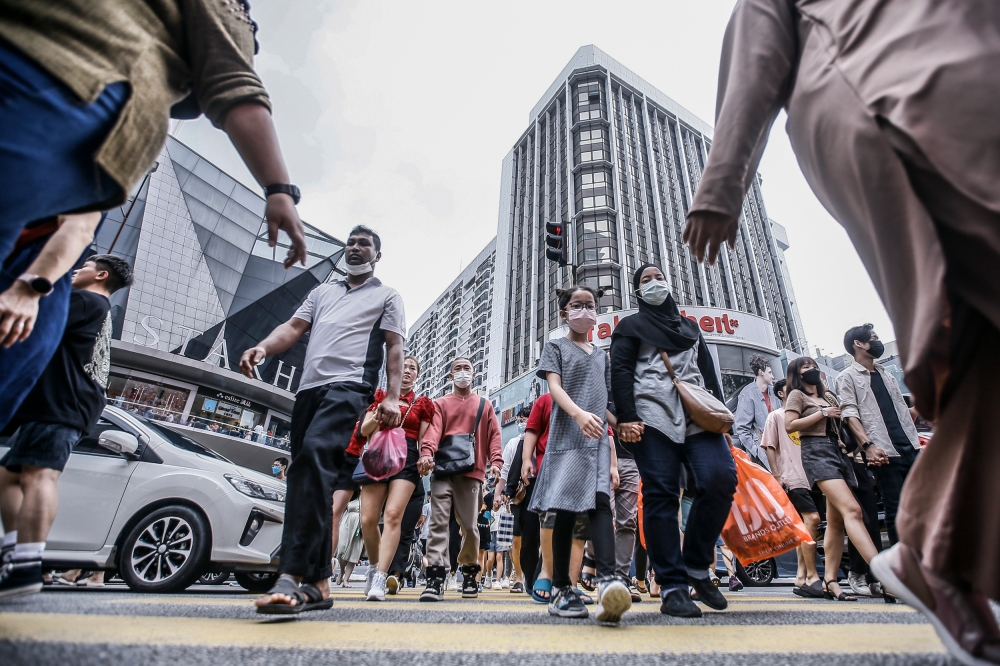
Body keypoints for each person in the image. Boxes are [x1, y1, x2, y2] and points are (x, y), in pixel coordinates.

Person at [683, 2, 1000, 660]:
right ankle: (926, 552)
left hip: (964, 67)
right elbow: (758, 42)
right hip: (893, 85)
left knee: (978, 338)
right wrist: (722, 181)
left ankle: (936, 550)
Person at [0, 0, 309, 427]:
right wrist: (279, 189)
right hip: (64, 96)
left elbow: (80, 226)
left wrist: (32, 286)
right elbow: (232, 81)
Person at [242, 226, 405, 614]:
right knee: (306, 474)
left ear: (377, 255)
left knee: (313, 460)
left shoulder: (387, 296)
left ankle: (290, 574)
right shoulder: (321, 293)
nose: (354, 248)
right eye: (350, 242)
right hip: (308, 391)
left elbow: (395, 346)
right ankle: (319, 584)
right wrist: (263, 347)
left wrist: (392, 396)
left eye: (364, 243)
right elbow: (293, 328)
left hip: (350, 387)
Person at [0, 254, 132, 599]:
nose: (76, 271)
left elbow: (35, 325)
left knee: (39, 476)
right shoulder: (96, 306)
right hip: (59, 403)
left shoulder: (85, 301)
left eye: (84, 267)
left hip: (63, 402)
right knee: (8, 478)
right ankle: (14, 555)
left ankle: (26, 565)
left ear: (101, 275)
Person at [610, 264, 736, 619]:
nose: (654, 283)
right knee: (661, 493)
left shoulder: (691, 328)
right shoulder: (630, 326)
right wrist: (627, 417)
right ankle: (672, 586)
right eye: (645, 280)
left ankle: (696, 565)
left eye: (658, 277)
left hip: (698, 414)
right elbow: (620, 371)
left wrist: (723, 419)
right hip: (652, 415)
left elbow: (708, 373)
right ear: (637, 291)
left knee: (720, 478)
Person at [528, 285, 631, 623]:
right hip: (567, 438)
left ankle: (609, 582)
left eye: (590, 304)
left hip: (597, 440)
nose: (584, 310)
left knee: (601, 504)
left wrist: (621, 426)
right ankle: (561, 589)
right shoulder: (555, 347)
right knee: (566, 511)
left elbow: (604, 402)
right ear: (564, 313)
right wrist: (578, 414)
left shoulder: (602, 356)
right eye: (577, 305)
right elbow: (554, 387)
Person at [782, 357, 891, 604]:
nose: (812, 370)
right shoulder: (797, 395)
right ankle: (886, 577)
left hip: (839, 453)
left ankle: (830, 581)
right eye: (806, 368)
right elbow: (790, 426)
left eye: (814, 366)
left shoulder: (829, 395)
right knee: (853, 510)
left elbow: (840, 424)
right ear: (797, 374)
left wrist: (848, 444)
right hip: (816, 452)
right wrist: (822, 413)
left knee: (836, 521)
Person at [350, 355, 434, 601]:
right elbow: (363, 431)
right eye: (403, 366)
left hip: (407, 457)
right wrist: (380, 413)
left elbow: (424, 440)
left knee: (393, 516)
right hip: (379, 455)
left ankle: (380, 577)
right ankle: (374, 566)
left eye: (412, 368)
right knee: (368, 519)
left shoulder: (422, 403)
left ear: (417, 375)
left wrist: (426, 456)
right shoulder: (379, 397)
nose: (407, 371)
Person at [418, 358, 502, 602]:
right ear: (450, 376)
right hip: (443, 471)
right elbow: (433, 432)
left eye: (467, 368)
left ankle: (469, 572)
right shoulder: (440, 404)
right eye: (458, 369)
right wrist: (426, 453)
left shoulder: (484, 404)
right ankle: (435, 577)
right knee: (437, 524)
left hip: (472, 473)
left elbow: (494, 435)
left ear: (474, 375)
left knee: (470, 527)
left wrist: (496, 463)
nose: (462, 372)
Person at [837, 324, 920, 546]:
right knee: (896, 508)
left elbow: (902, 411)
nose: (877, 342)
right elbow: (849, 414)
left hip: (911, 446)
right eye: (873, 338)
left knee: (922, 506)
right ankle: (902, 563)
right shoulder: (847, 377)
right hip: (884, 452)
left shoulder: (887, 375)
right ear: (858, 344)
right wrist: (868, 446)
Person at [761, 379, 823, 599]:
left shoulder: (805, 417)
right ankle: (809, 575)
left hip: (814, 476)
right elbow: (769, 446)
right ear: (780, 393)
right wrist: (777, 475)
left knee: (805, 526)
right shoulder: (776, 416)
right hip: (792, 477)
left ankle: (801, 575)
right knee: (812, 519)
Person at [496, 404, 530, 593]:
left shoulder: (542, 439)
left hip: (536, 492)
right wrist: (499, 494)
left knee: (535, 538)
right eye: (518, 421)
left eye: (523, 420)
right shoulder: (513, 443)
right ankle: (519, 577)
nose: (520, 424)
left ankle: (534, 574)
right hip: (516, 495)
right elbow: (505, 470)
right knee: (515, 539)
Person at [734, 353, 779, 470]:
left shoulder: (774, 392)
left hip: (779, 449)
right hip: (762, 455)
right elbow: (742, 429)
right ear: (761, 372)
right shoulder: (747, 394)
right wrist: (757, 451)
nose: (773, 376)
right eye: (770, 372)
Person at [333, 495, 363, 588]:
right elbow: (340, 510)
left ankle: (346, 580)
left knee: (353, 554)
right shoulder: (351, 495)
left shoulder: (368, 496)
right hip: (346, 523)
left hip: (359, 526)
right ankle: (342, 571)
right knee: (341, 550)